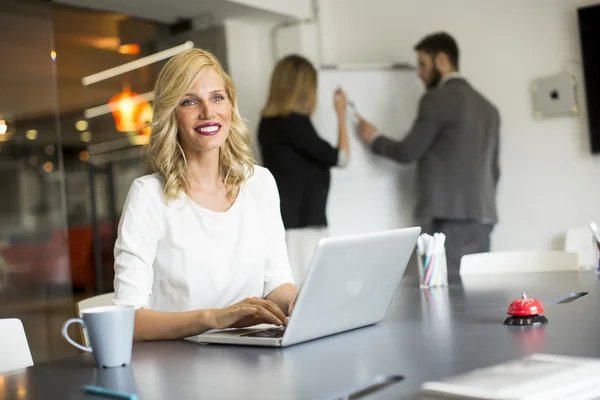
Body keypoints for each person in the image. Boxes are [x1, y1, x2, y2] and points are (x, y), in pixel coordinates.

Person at [112, 48, 299, 341]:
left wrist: (296, 301)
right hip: (181, 364)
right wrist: (214, 318)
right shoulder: (148, 195)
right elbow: (127, 320)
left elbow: (276, 281)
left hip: (254, 355)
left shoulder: (260, 183)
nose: (208, 112)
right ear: (172, 114)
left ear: (230, 106)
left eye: (216, 97)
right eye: (190, 101)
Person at [357, 32, 500, 277]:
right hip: (482, 217)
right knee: (477, 292)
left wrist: (374, 138)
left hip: (446, 220)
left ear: (442, 59)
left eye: (422, 64)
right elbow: (494, 171)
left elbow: (407, 151)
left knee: (448, 297)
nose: (419, 73)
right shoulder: (489, 108)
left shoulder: (436, 99)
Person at [258, 55, 349, 286]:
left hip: (290, 223)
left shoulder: (269, 123)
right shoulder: (294, 124)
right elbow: (341, 158)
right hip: (301, 227)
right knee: (310, 290)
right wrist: (341, 114)